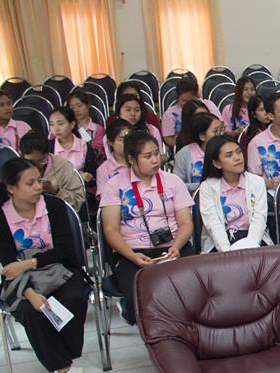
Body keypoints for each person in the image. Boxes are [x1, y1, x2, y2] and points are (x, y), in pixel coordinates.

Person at [0, 158, 91, 373]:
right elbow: (8, 265)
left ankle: (65, 356)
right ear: (11, 188)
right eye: (30, 183)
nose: (38, 187)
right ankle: (64, 369)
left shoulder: (54, 206)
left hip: (60, 269)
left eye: (39, 180)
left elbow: (65, 251)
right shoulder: (2, 217)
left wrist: (29, 262)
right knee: (30, 310)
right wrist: (29, 292)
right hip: (21, 279)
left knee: (73, 297)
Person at [100, 130, 195, 323]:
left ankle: (182, 331)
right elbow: (110, 230)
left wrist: (176, 246)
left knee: (192, 290)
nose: (155, 160)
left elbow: (186, 223)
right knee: (141, 298)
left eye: (157, 153)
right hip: (132, 252)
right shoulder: (115, 185)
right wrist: (133, 256)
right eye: (147, 156)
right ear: (131, 159)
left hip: (173, 248)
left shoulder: (172, 181)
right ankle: (149, 327)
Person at [198, 135, 271, 252]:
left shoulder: (256, 182)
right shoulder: (207, 187)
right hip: (221, 242)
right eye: (229, 155)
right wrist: (228, 253)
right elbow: (213, 225)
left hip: (253, 238)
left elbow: (259, 219)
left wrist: (250, 248)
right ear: (217, 163)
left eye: (239, 152)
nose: (237, 158)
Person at [19, 132, 86, 212]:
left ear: (47, 155)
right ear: (22, 156)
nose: (35, 167)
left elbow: (77, 201)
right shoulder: (15, 169)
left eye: (41, 162)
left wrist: (55, 191)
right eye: (31, 162)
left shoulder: (63, 167)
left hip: (57, 214)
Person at [246, 93, 280, 189]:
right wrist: (268, 184)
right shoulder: (257, 143)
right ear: (271, 116)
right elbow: (253, 180)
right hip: (271, 194)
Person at [160, 77, 220, 149]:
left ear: (197, 96)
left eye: (191, 100)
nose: (188, 104)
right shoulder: (170, 114)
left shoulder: (209, 105)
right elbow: (167, 137)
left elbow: (219, 124)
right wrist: (187, 148)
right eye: (183, 100)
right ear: (177, 97)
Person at [173, 112, 225, 192]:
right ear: (202, 136)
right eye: (216, 131)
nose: (221, 134)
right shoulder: (184, 154)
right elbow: (177, 185)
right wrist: (203, 186)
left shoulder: (227, 149)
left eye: (221, 129)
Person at [48, 106, 95, 185]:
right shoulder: (48, 147)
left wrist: (87, 177)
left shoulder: (84, 146)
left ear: (72, 124)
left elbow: (92, 174)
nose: (56, 129)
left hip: (80, 189)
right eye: (52, 124)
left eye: (60, 124)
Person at [95, 119, 131, 198]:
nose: (127, 143)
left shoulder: (140, 161)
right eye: (121, 139)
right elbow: (105, 200)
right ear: (110, 142)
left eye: (129, 138)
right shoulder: (103, 170)